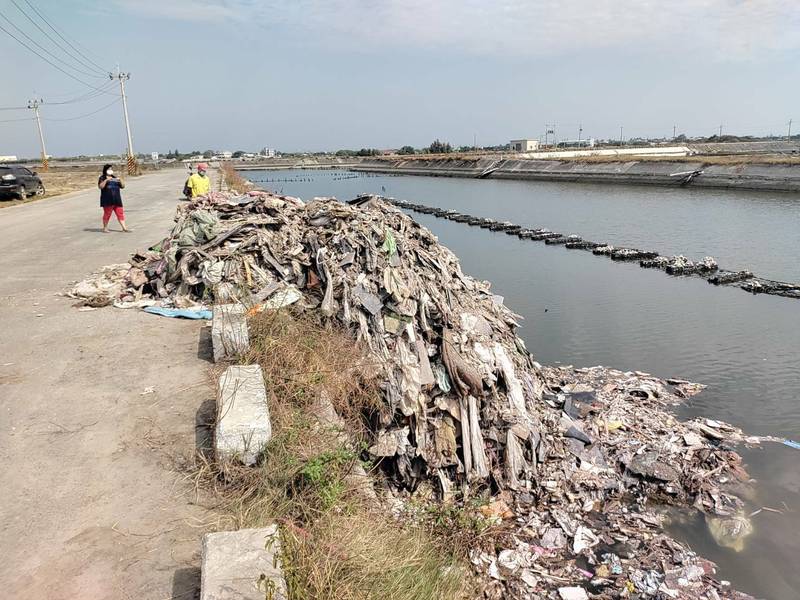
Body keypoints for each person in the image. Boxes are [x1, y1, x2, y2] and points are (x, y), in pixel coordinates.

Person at [98, 164, 129, 232]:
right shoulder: (102, 178)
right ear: (105, 170)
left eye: (111, 169)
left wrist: (120, 180)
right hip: (107, 199)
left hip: (117, 199)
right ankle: (105, 228)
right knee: (107, 214)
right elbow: (100, 187)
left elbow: (122, 186)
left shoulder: (114, 178)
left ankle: (124, 228)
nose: (110, 170)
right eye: (109, 169)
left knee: (120, 213)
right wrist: (106, 180)